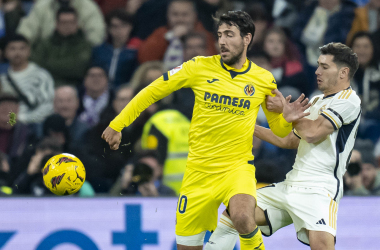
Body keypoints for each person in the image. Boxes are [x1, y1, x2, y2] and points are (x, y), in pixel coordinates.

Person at [102, 11, 310, 250]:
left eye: (229, 34)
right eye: (220, 34)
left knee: (243, 217)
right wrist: (117, 124)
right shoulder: (198, 67)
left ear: (247, 39)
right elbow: (153, 90)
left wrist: (285, 116)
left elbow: (280, 131)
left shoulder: (263, 79)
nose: (222, 40)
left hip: (237, 168)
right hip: (198, 174)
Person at [205, 42, 361, 250]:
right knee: (236, 213)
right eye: (317, 65)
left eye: (324, 67)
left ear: (343, 72)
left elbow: (313, 133)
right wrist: (247, 124)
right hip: (291, 183)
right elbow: (290, 141)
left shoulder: (349, 100)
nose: (317, 71)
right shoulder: (315, 101)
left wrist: (287, 111)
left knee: (322, 246)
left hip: (319, 189)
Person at [137, 0, 217, 70]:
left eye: (184, 14)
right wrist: (168, 38)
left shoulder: (204, 34)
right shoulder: (160, 34)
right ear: (168, 15)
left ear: (194, 16)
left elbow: (212, 62)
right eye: (175, 14)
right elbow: (145, 60)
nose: (180, 19)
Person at [31, 7, 92, 87]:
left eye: (71, 22)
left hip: (76, 87)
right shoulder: (45, 44)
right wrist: (68, 64)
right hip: (47, 86)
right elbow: (37, 67)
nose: (67, 26)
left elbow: (78, 70)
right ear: (56, 24)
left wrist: (49, 64)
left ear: (77, 24)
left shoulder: (85, 45)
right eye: (64, 22)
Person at [0, 35, 54, 124]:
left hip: (36, 125)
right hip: (11, 126)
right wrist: (13, 122)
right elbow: (8, 106)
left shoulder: (41, 75)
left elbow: (48, 105)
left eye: (22, 48)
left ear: (29, 51)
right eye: (12, 49)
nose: (17, 53)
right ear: (5, 53)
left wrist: (23, 119)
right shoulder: (3, 78)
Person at [17, 0, 105, 47]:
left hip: (78, 53)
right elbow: (27, 30)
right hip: (47, 52)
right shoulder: (42, 5)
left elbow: (96, 36)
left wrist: (83, 50)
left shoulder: (88, 7)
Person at [92, 9, 138, 88]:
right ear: (109, 29)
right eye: (115, 26)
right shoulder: (99, 51)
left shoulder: (135, 52)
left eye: (123, 25)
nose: (119, 30)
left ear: (130, 27)